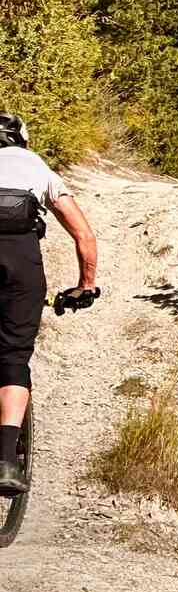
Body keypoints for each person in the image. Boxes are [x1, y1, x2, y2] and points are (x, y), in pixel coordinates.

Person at [0, 113, 98, 495]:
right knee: (12, 359)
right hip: (20, 269)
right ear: (21, 138)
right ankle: (7, 461)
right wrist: (85, 285)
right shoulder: (36, 166)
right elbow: (83, 234)